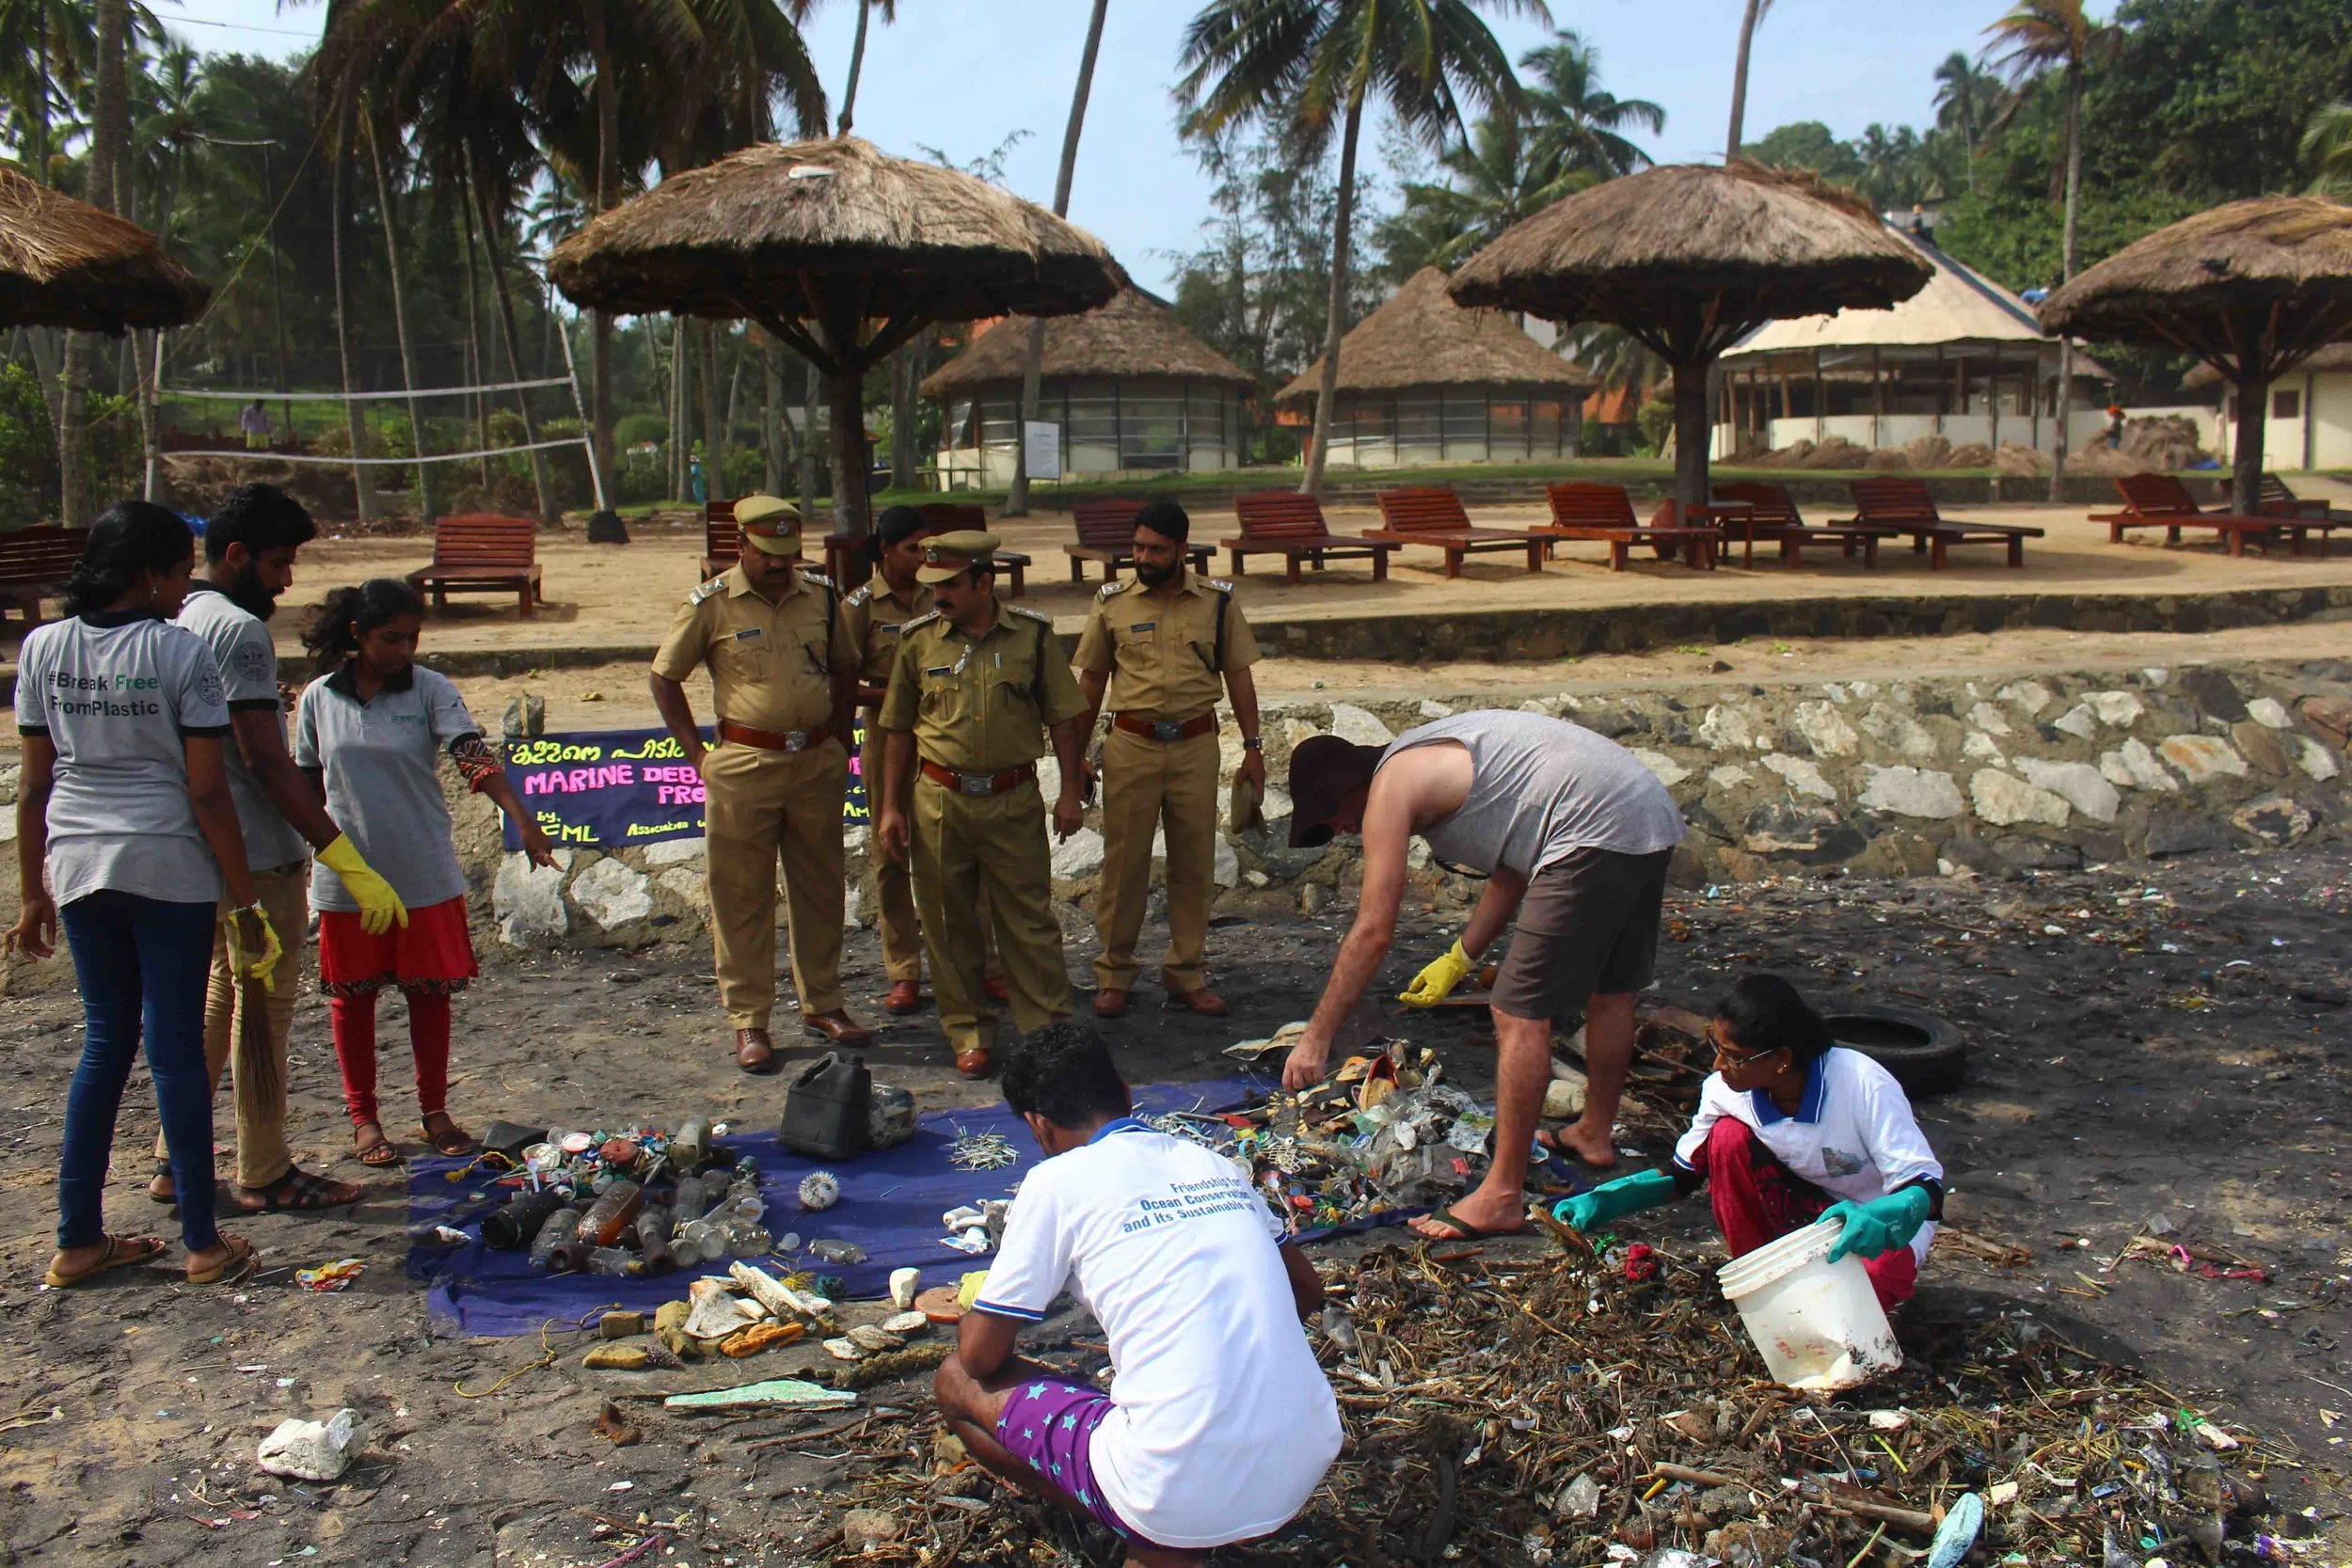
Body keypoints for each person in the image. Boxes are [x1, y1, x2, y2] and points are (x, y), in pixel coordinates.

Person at [933, 1023, 1342, 1564]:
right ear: (1127, 1095)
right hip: (1303, 1456)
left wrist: (970, 1309)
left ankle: (1149, 1535)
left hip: (1170, 1483)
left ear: (1039, 1127)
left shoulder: (1055, 1182)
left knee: (955, 1382)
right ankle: (1179, 1519)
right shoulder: (1212, 1163)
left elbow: (980, 1356)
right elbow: (1306, 1291)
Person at [1279, 709, 1686, 1241]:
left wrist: (1315, 1039)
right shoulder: (1433, 759)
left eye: (1330, 815)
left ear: (1350, 785)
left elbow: (1373, 929)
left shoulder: (1389, 787)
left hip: (1591, 826)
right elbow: (1516, 868)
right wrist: (1461, 956)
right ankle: (1593, 1133)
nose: (1338, 829)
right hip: (1640, 809)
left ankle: (1500, 1196)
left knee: (1517, 1012)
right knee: (1611, 991)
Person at [7, 500, 273, 1287]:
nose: (186, 582)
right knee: (175, 1053)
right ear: (149, 573)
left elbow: (31, 784)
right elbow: (208, 792)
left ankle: (78, 1237)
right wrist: (246, 897)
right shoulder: (179, 653)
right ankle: (201, 1241)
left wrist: (30, 895)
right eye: (180, 569)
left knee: (103, 1044)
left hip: (78, 862)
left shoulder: (43, 647)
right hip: (167, 866)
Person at [159, 483, 399, 1212]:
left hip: (205, 847)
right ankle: (263, 1168)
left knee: (220, 995)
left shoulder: (182, 617)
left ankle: (178, 1158)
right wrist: (343, 855)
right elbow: (266, 761)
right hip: (258, 852)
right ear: (235, 555)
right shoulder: (237, 631)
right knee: (261, 1008)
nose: (287, 579)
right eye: (275, 562)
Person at [295, 578, 554, 1165]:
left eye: (413, 638)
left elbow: (471, 756)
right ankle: (363, 1118)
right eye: (392, 639)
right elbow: (306, 785)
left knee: (429, 997)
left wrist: (521, 817)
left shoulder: (431, 689)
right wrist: (303, 856)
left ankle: (434, 1110)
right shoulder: (318, 698)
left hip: (423, 869)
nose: (405, 650)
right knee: (352, 1001)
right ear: (357, 635)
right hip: (346, 876)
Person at [1556, 974, 1943, 1310]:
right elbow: (1683, 1174)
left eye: (1734, 1056)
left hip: (1872, 1222)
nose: (1717, 1066)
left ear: (1781, 1060)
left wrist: (1881, 1216)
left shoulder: (1861, 1082)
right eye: (1717, 1048)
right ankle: (1760, 1274)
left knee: (1859, 1291)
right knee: (1726, 1138)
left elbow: (1925, 1186)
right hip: (1802, 1209)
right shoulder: (1724, 1092)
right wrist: (1605, 1199)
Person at [649, 494, 871, 1074]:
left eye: (788, 552)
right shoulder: (711, 604)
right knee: (742, 897)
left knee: (820, 889)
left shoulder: (821, 597)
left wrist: (841, 739)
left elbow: (846, 669)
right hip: (744, 765)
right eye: (767, 552)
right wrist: (698, 756)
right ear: (741, 545)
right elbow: (664, 677)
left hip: (814, 763)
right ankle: (749, 1020)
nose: (779, 563)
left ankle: (823, 1003)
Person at [875, 531, 1087, 1077]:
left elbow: (1063, 717)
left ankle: (1046, 1031)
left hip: (1013, 798)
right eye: (932, 585)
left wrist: (1068, 791)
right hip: (939, 801)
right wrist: (891, 808)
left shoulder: (1034, 638)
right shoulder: (918, 641)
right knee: (948, 925)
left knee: (1028, 921)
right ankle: (968, 1031)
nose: (937, 595)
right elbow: (897, 728)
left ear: (983, 583)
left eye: (948, 585)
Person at [1071, 500, 1263, 1019]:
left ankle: (1187, 972)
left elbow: (1239, 675)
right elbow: (1090, 680)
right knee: (1123, 863)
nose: (1144, 557)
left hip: (1196, 745)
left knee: (1193, 863)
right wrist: (1077, 757)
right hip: (1130, 745)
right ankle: (1113, 974)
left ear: (1181, 549)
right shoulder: (1112, 602)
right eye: (1138, 547)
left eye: (1156, 549)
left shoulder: (1217, 602)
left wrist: (1253, 747)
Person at [836, 505, 1005, 1016]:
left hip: (947, 737)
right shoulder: (860, 606)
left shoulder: (944, 593)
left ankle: (987, 964)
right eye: (913, 548)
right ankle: (904, 970)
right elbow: (841, 681)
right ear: (886, 552)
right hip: (888, 739)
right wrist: (896, 696)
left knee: (967, 853)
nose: (923, 557)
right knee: (892, 855)